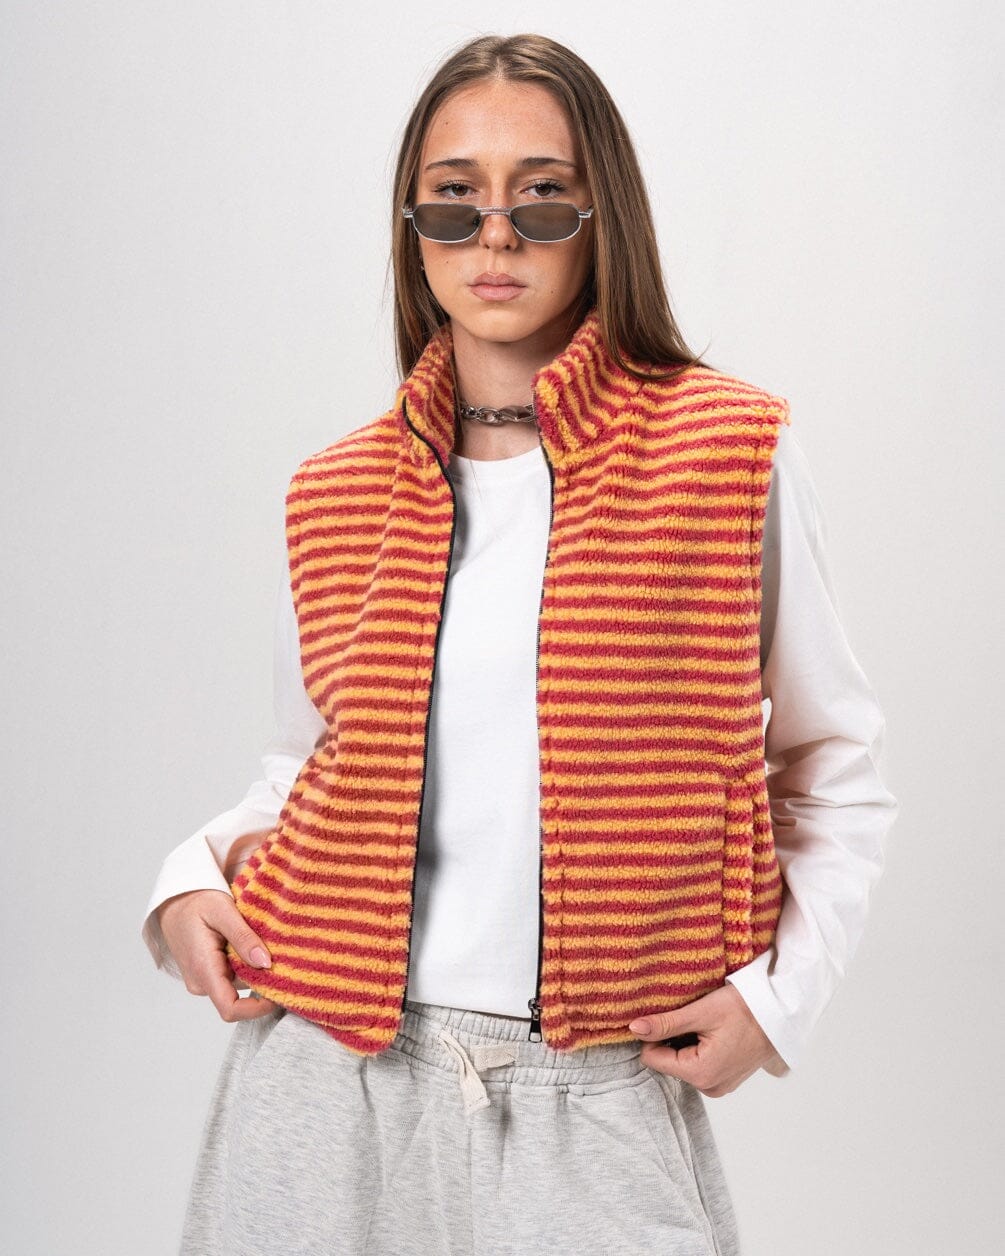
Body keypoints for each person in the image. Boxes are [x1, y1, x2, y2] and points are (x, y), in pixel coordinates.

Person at [142, 32, 897, 1255]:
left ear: (604, 219)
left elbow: (833, 762)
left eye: (542, 198)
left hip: (594, 1085)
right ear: (414, 226)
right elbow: (311, 761)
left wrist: (780, 998)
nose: (494, 235)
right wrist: (187, 876)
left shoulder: (725, 452)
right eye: (454, 199)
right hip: (322, 1077)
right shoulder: (336, 489)